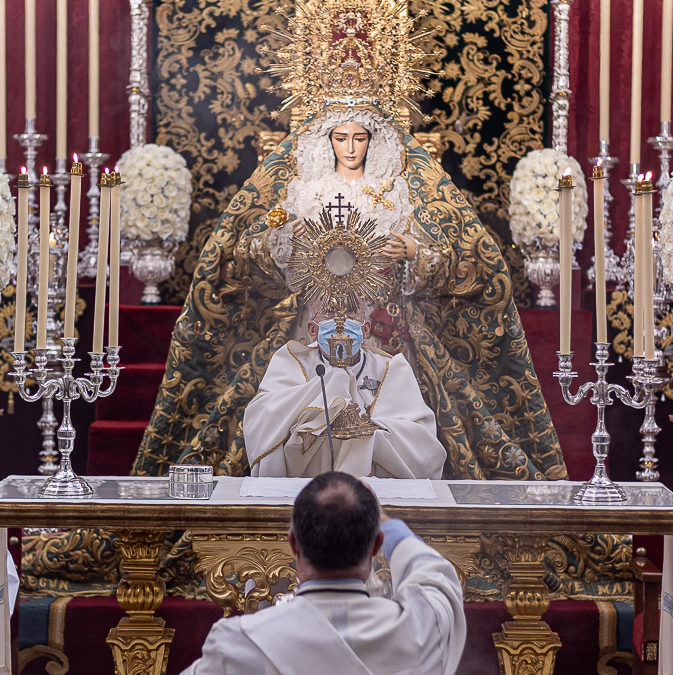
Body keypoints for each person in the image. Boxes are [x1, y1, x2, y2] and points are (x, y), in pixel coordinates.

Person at [181, 472, 466, 675]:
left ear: (293, 543)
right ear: (376, 545)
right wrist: (386, 522)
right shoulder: (422, 629)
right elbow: (435, 575)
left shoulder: (239, 644)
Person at [243, 303, 447, 478]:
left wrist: (370, 437)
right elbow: (261, 424)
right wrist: (329, 383)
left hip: (377, 499)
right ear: (312, 330)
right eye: (329, 312)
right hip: (306, 491)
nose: (339, 322)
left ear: (366, 329)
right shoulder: (290, 363)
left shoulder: (391, 369)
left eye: (350, 312)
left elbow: (423, 446)